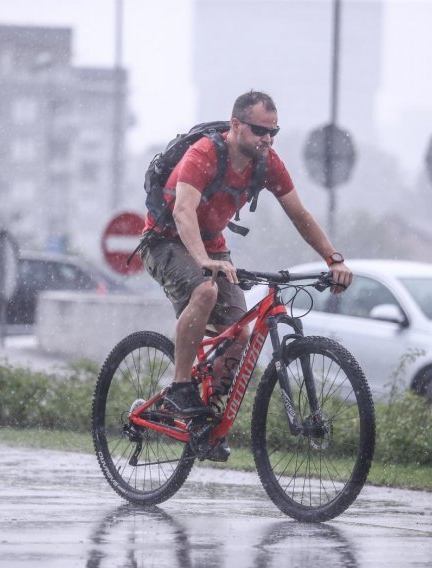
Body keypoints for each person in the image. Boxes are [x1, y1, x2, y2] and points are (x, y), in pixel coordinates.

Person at [140, 90, 352, 457]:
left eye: (273, 132)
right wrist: (205, 261)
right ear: (236, 125)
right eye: (258, 130)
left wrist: (333, 259)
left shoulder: (267, 163)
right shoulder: (203, 154)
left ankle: (204, 422)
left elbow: (299, 215)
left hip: (212, 244)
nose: (266, 139)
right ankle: (179, 389)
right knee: (204, 292)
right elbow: (183, 212)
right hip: (165, 240)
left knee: (240, 334)